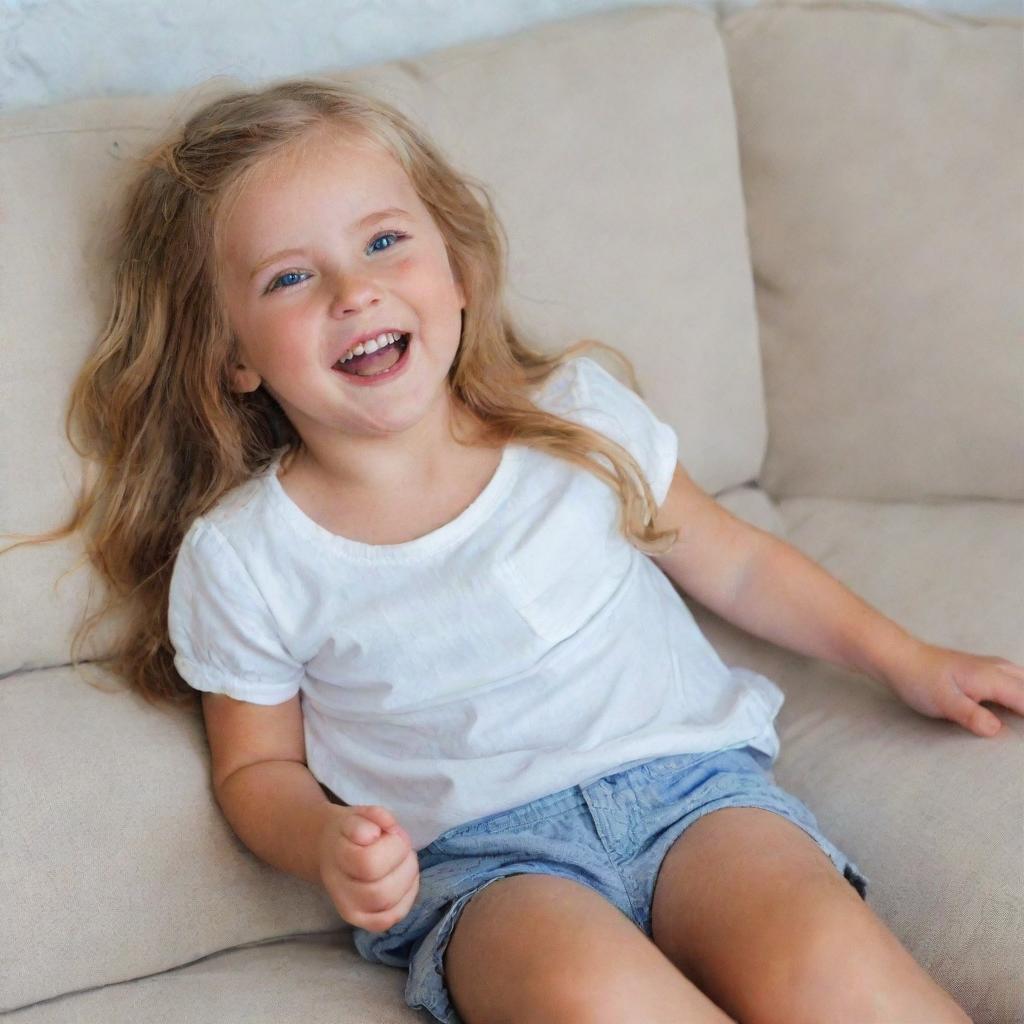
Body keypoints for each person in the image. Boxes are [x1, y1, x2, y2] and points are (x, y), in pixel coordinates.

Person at [6, 76, 1018, 1024]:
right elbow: (255, 767)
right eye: (290, 277)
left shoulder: (572, 419)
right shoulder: (246, 557)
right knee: (596, 998)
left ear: (455, 270)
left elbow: (738, 562)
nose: (352, 292)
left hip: (693, 795)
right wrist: (323, 840)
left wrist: (908, 659)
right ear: (229, 357)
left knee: (833, 968)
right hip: (487, 870)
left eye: (384, 241)